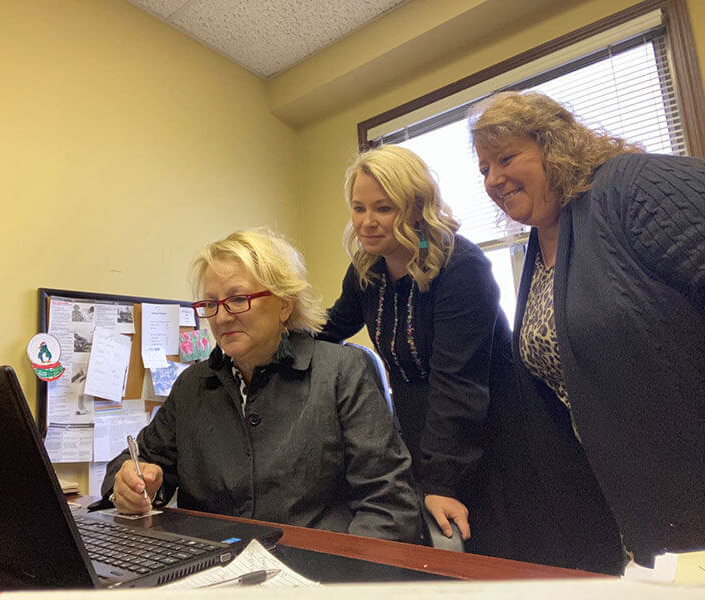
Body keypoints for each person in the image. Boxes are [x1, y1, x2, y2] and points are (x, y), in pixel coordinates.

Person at [468, 90, 705, 573]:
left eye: (506, 158)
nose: (493, 179)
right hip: (631, 507)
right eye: (484, 170)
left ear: (555, 145)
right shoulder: (544, 242)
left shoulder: (633, 185)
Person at [101, 229, 422, 543]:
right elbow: (135, 462)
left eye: (238, 299)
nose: (222, 318)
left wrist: (336, 578)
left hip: (313, 577)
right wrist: (127, 483)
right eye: (210, 304)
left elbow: (390, 506)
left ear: (284, 304)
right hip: (209, 574)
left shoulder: (342, 372)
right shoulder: (192, 386)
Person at [317, 145, 514, 553]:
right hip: (421, 430)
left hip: (487, 428)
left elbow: (457, 384)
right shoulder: (367, 270)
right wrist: (276, 334)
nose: (367, 223)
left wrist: (442, 482)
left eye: (383, 209)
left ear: (414, 208)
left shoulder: (460, 265)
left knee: (493, 553)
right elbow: (331, 328)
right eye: (359, 208)